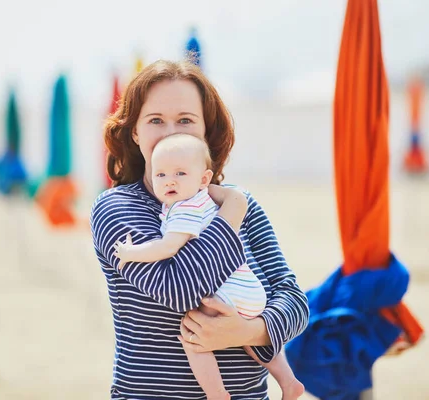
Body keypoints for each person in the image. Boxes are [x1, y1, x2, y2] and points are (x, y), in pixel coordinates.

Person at [90, 59, 309, 400]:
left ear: (206, 131)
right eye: (155, 120)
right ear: (135, 132)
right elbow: (179, 290)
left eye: (186, 120)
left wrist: (251, 331)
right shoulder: (117, 208)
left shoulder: (241, 202)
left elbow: (295, 300)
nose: (171, 132)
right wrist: (230, 214)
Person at [112, 132, 305, 400]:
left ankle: (216, 393)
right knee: (250, 338)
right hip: (249, 289)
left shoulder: (184, 208)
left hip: (226, 292)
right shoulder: (211, 200)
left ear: (203, 178)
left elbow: (167, 247)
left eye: (180, 174)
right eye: (161, 175)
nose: (169, 181)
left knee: (193, 337)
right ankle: (287, 379)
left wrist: (131, 252)